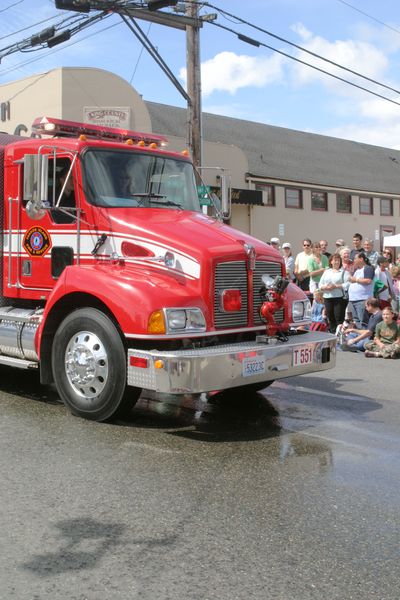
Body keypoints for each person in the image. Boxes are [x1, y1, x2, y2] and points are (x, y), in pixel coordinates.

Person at [319, 252, 349, 333]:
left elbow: (348, 284)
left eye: (338, 260)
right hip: (327, 297)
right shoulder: (326, 272)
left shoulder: (344, 272)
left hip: (339, 298)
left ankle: (340, 335)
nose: (337, 262)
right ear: (331, 261)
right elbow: (320, 285)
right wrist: (326, 287)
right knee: (330, 317)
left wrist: (336, 286)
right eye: (335, 260)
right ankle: (333, 334)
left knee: (338, 317)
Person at [347, 252, 375, 328]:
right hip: (353, 300)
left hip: (362, 300)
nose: (354, 260)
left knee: (363, 321)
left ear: (361, 259)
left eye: (355, 258)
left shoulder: (368, 268)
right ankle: (360, 337)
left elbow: (368, 281)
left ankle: (365, 338)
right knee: (357, 320)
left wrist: (355, 279)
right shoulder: (358, 270)